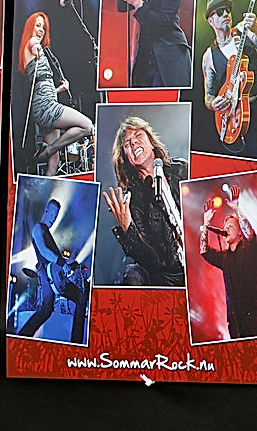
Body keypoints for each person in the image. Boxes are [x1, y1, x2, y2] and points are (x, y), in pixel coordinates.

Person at [101, 116, 186, 286]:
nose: (133, 144)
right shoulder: (134, 199)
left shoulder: (183, 169)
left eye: (138, 135)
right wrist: (127, 230)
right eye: (127, 144)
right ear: (125, 158)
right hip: (172, 278)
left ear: (151, 140)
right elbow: (151, 261)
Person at [19, 11, 94, 175]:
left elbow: (43, 88)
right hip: (46, 107)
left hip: (44, 104)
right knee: (88, 126)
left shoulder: (36, 52)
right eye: (38, 25)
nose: (41, 30)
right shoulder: (31, 43)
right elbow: (34, 44)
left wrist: (59, 89)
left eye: (44, 28)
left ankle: (45, 193)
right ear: (30, 27)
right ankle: (47, 150)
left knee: (54, 162)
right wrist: (37, 48)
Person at [18, 199, 88, 343]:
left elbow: (55, 258)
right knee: (47, 309)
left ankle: (76, 341)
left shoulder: (47, 232)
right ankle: (22, 337)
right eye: (52, 214)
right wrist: (62, 263)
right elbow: (44, 251)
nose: (54, 218)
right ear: (46, 211)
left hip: (54, 275)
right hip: (46, 274)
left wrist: (70, 264)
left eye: (56, 215)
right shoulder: (39, 228)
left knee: (48, 309)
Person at [201, 0, 257, 155]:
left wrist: (256, 27)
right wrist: (213, 103)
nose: (225, 13)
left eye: (227, 10)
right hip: (235, 117)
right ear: (211, 20)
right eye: (220, 11)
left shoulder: (244, 30)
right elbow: (208, 95)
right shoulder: (209, 56)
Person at [200, 203, 257, 339]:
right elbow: (203, 251)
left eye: (231, 226)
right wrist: (206, 223)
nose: (226, 229)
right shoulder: (224, 257)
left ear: (239, 233)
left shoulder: (249, 249)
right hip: (235, 321)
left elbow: (250, 234)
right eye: (225, 227)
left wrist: (237, 209)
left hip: (253, 315)